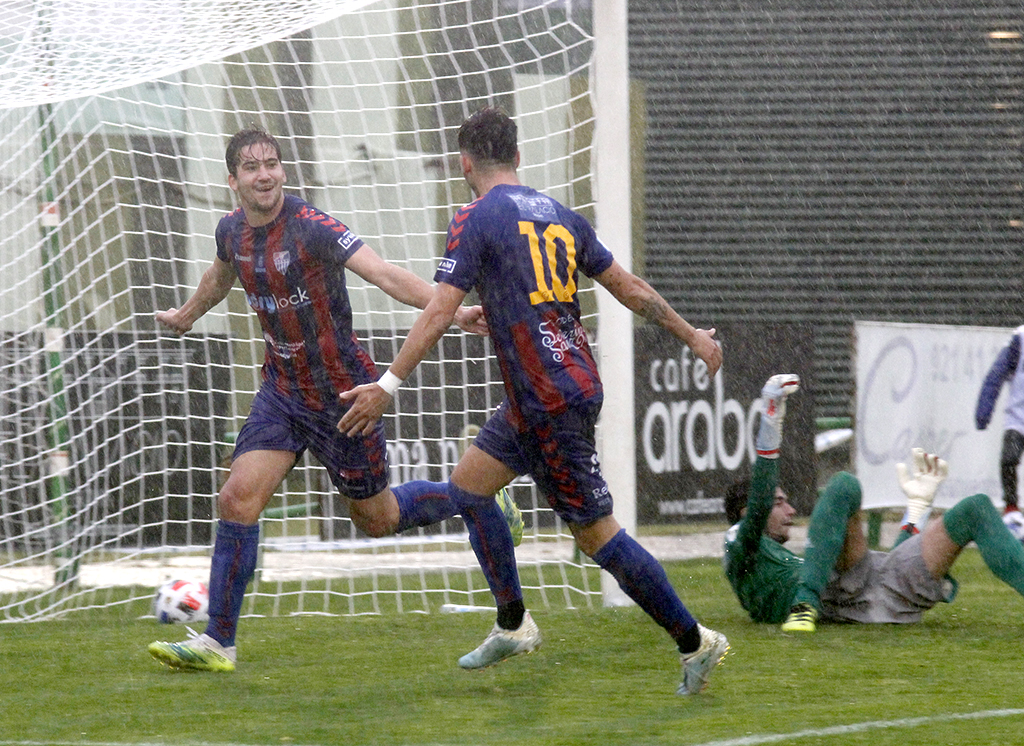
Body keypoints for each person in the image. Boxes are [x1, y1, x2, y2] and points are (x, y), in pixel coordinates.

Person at [338, 106, 729, 695]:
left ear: (465, 164)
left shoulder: (475, 217)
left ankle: (695, 641)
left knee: (596, 536)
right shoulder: (563, 216)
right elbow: (629, 288)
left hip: (549, 401)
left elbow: (440, 310)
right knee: (469, 487)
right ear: (518, 156)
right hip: (553, 390)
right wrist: (691, 334)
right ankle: (513, 622)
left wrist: (387, 384)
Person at [148, 125, 522, 672]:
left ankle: (472, 496)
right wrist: (186, 315)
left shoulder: (311, 226)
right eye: (251, 167)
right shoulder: (230, 231)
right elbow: (221, 275)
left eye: (272, 164)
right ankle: (218, 644)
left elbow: (384, 274)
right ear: (233, 181)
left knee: (376, 517)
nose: (265, 175)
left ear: (282, 171)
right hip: (282, 392)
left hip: (343, 396)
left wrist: (457, 312)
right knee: (236, 498)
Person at [725, 373, 1024, 633]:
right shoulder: (739, 547)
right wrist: (771, 419)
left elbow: (878, 577)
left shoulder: (803, 563)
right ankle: (804, 606)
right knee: (844, 484)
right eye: (779, 503)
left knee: (976, 508)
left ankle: (806, 605)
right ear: (747, 513)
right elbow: (760, 501)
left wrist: (917, 511)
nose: (790, 510)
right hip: (859, 598)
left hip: (884, 594)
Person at [975, 324, 1024, 535]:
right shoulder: (1020, 339)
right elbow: (996, 375)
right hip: (1018, 418)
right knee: (1009, 459)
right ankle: (1011, 509)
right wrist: (983, 412)